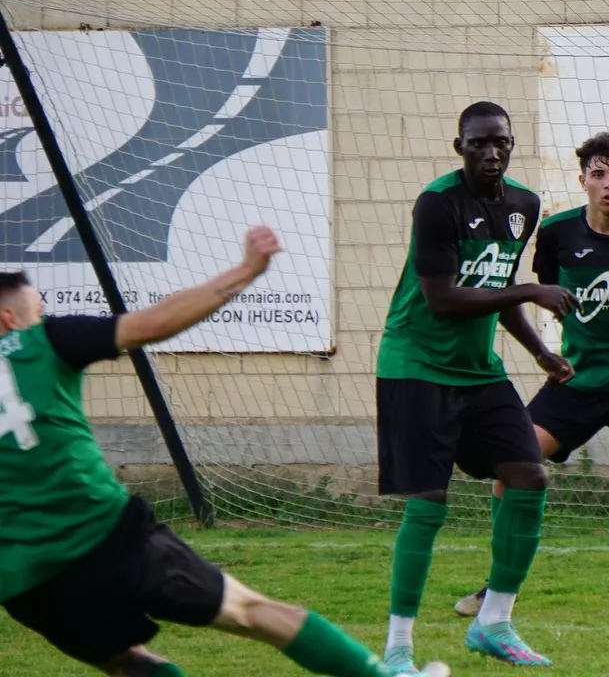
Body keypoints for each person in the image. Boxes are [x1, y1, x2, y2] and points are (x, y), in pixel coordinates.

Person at [0, 228, 448, 677]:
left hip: (25, 581)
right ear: (7, 319)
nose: (43, 319)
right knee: (255, 613)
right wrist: (247, 270)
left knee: (126, 663)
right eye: (38, 312)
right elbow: (152, 324)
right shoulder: (42, 344)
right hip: (106, 534)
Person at [466, 132, 609, 622]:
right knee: (510, 465)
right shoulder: (555, 234)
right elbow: (542, 292)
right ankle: (496, 587)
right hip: (575, 376)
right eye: (598, 174)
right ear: (583, 181)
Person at [375, 101, 576, 671]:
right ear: (459, 146)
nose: (492, 154)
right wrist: (531, 293)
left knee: (528, 475)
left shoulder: (523, 206)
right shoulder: (437, 205)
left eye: (501, 143)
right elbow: (443, 300)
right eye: (479, 144)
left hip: (477, 370)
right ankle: (397, 650)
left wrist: (540, 352)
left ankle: (494, 624)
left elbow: (496, 281)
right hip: (415, 364)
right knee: (429, 503)